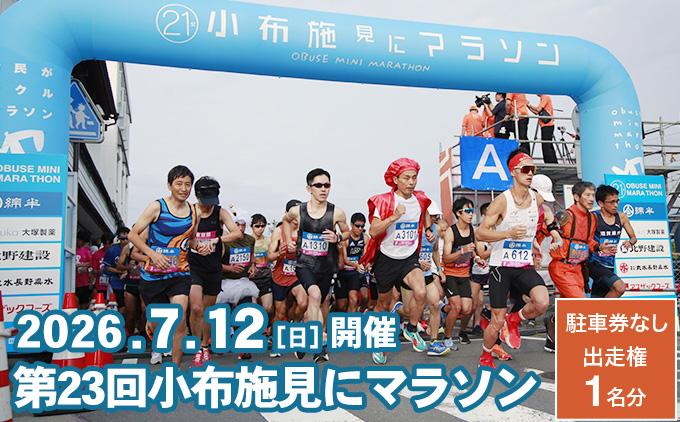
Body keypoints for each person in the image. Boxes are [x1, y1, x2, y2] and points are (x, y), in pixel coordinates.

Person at [476, 150, 550, 368]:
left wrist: (537, 242)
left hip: (523, 264)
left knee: (542, 302)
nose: (530, 174)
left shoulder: (537, 198)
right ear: (513, 172)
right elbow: (480, 233)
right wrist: (507, 233)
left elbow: (542, 221)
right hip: (501, 267)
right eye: (525, 169)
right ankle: (485, 357)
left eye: (533, 170)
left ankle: (514, 320)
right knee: (496, 320)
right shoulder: (502, 201)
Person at [128, 165, 207, 366]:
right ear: (169, 185)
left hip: (179, 273)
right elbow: (133, 235)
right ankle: (152, 326)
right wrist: (152, 254)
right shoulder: (157, 207)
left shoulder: (194, 211)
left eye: (187, 184)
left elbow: (191, 240)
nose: (183, 188)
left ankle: (175, 368)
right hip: (153, 275)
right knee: (158, 323)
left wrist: (200, 247)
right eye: (179, 184)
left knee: (179, 320)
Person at [359, 158, 434, 365]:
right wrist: (393, 217)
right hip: (386, 259)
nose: (411, 182)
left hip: (409, 257)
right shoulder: (384, 201)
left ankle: (411, 328)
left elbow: (424, 212)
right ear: (395, 180)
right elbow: (374, 231)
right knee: (383, 305)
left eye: (414, 178)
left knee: (421, 292)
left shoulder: (420, 199)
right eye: (406, 178)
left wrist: (428, 229)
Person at [282, 168, 350, 363]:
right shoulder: (298, 211)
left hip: (326, 266)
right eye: (318, 185)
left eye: (327, 185)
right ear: (309, 188)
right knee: (315, 295)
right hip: (304, 264)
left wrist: (337, 237)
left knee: (317, 304)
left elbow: (347, 232)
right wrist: (288, 240)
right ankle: (319, 346)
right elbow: (286, 221)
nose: (323, 189)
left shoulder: (337, 212)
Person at [188, 176, 242, 367]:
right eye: (206, 201)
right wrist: (197, 246)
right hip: (194, 265)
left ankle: (204, 345)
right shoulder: (190, 211)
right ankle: (196, 346)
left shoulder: (220, 212)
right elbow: (186, 236)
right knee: (196, 307)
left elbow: (237, 233)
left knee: (207, 310)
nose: (208, 205)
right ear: (197, 196)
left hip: (213, 267)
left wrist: (216, 240)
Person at [442, 198, 485, 350]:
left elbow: (473, 251)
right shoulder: (451, 232)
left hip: (464, 274)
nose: (471, 214)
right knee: (456, 307)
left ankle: (460, 330)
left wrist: (478, 259)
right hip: (450, 274)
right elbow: (446, 258)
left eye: (472, 211)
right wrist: (462, 251)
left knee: (468, 308)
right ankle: (447, 338)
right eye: (467, 211)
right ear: (458, 213)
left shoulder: (472, 230)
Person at [269, 200, 308, 358]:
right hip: (280, 276)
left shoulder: (304, 231)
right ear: (287, 215)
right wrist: (280, 253)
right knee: (280, 312)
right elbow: (269, 256)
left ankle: (295, 325)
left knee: (303, 302)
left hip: (296, 275)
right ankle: (276, 340)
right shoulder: (279, 232)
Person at [549, 181, 600, 299]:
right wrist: (536, 250)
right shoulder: (565, 215)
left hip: (578, 269)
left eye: (593, 195)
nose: (591, 199)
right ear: (576, 197)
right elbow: (545, 229)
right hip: (561, 267)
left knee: (568, 305)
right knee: (580, 302)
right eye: (587, 195)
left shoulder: (592, 218)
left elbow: (589, 241)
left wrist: (600, 247)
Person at [588, 185, 637, 298]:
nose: (616, 205)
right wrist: (599, 247)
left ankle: (595, 309)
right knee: (620, 288)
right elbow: (585, 239)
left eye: (617, 201)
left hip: (609, 264)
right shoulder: (593, 217)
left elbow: (633, 238)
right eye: (611, 202)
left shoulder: (622, 217)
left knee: (599, 297)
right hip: (594, 263)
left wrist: (630, 242)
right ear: (601, 203)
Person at [336, 212, 369, 313]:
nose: (360, 228)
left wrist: (366, 264)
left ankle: (352, 319)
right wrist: (356, 264)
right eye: (357, 226)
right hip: (342, 272)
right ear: (351, 224)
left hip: (354, 273)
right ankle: (333, 311)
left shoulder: (365, 238)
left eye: (362, 226)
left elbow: (365, 256)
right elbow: (345, 260)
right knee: (342, 305)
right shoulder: (345, 239)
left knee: (354, 299)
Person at [250, 213, 274, 319]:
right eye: (257, 226)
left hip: (266, 277)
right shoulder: (247, 240)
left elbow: (273, 257)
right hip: (251, 279)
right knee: (254, 309)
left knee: (268, 308)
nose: (260, 229)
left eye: (263, 226)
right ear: (251, 226)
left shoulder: (269, 240)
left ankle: (266, 325)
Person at [102, 227, 130, 313]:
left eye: (127, 238)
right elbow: (106, 267)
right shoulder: (112, 250)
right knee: (121, 305)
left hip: (131, 282)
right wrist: (120, 272)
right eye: (122, 239)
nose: (125, 241)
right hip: (117, 282)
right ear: (118, 238)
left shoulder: (134, 249)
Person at [528, 94, 558, 164]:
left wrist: (529, 105)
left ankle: (550, 162)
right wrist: (528, 106)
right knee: (547, 143)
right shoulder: (543, 98)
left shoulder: (545, 97)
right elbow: (536, 112)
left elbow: (538, 109)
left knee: (546, 144)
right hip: (545, 125)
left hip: (547, 124)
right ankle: (552, 161)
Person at [75, 232, 93, 309]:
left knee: (84, 304)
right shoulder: (71, 249)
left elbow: (91, 263)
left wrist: (82, 265)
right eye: (82, 241)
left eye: (85, 242)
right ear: (77, 239)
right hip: (73, 282)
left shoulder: (86, 251)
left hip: (84, 282)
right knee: (74, 303)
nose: (83, 243)